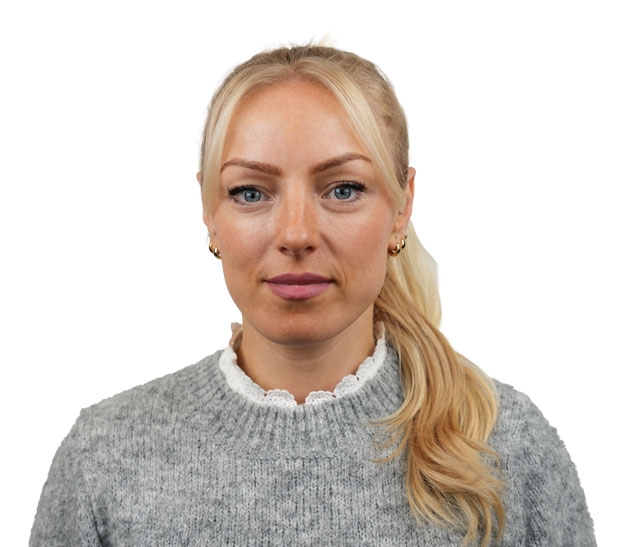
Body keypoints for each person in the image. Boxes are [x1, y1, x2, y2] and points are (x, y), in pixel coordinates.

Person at [29, 43, 596, 547]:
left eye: (343, 189)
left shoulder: (507, 446)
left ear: (402, 206)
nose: (296, 234)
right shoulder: (104, 459)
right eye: (250, 192)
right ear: (209, 212)